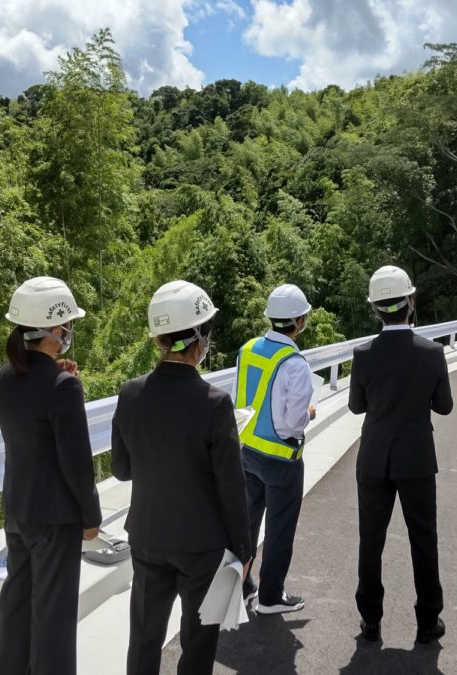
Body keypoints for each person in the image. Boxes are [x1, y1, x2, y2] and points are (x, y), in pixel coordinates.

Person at [111, 280, 252, 675]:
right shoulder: (215, 403)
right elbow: (230, 486)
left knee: (144, 636)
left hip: (148, 535)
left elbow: (121, 470)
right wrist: (244, 548)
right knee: (198, 640)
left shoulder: (130, 393)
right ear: (200, 338)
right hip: (201, 545)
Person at [0, 276, 103, 675]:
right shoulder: (62, 387)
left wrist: (61, 376)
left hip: (18, 510)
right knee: (53, 620)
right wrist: (91, 518)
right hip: (55, 518)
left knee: (17, 606)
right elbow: (76, 463)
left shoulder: (7, 376)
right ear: (56, 330)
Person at [348, 265, 453, 645]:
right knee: (423, 538)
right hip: (417, 459)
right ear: (410, 302)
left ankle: (370, 619)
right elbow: (444, 407)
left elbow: (357, 407)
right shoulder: (432, 352)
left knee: (370, 539)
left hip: (374, 457)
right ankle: (428, 620)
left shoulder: (363, 354)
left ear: (376, 309)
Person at [236, 284, 316, 614]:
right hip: (281, 460)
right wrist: (310, 413)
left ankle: (241, 587)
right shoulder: (295, 364)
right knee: (280, 529)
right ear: (298, 321)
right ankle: (270, 597)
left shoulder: (248, 348)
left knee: (247, 523)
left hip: (245, 451)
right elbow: (292, 424)